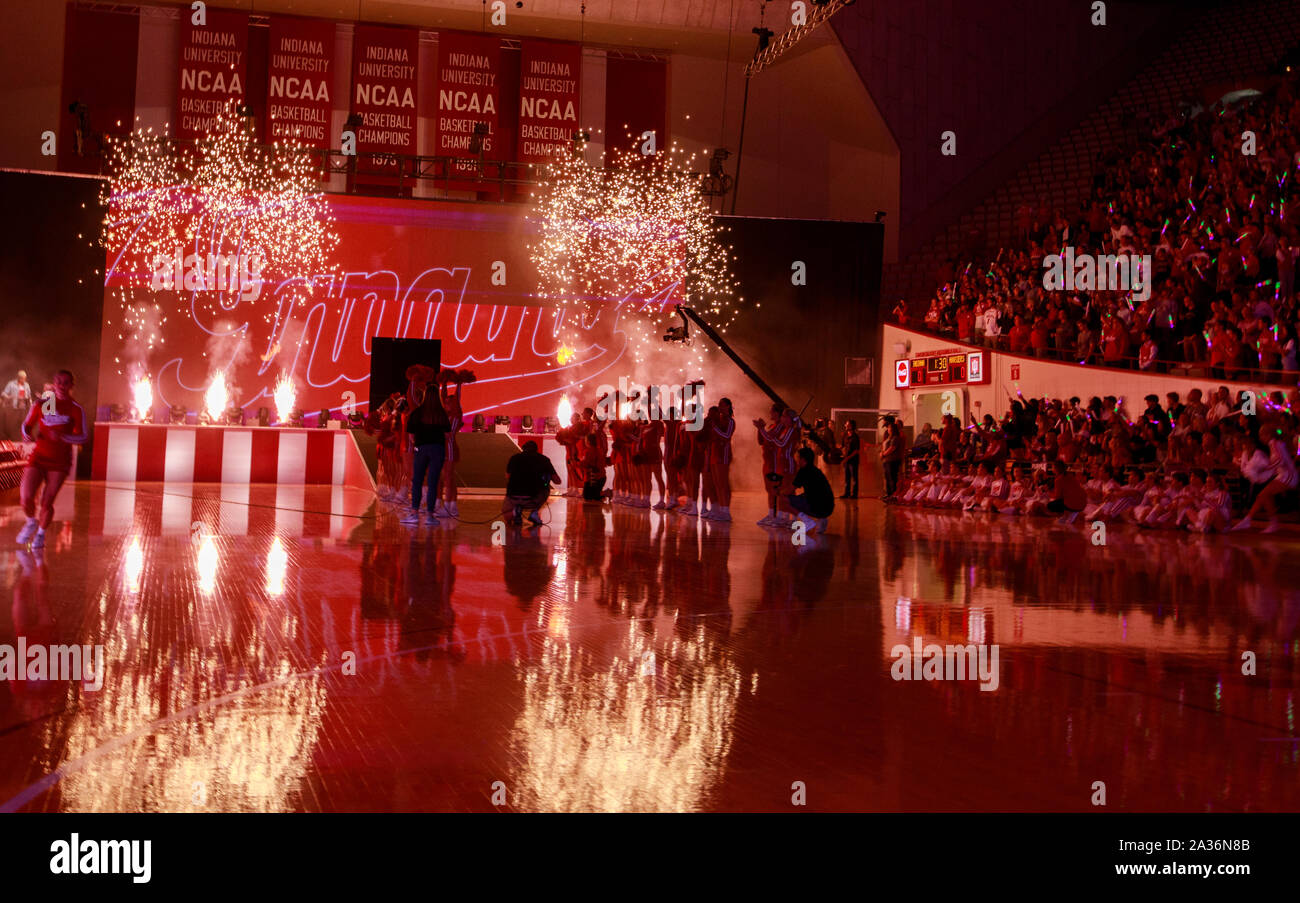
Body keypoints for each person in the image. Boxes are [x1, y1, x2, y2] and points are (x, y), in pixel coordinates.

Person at [17, 370, 87, 549]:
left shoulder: (76, 408)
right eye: (59, 382)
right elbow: (26, 425)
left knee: (47, 502)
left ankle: (40, 534)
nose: (62, 386)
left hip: (60, 462)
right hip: (39, 457)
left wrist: (63, 438)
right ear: (54, 384)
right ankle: (31, 521)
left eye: (66, 383)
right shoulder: (42, 404)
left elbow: (83, 437)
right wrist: (26, 435)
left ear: (71, 386)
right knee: (25, 498)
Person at [401, 366, 450, 526]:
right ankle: (430, 516)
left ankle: (414, 513)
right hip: (438, 449)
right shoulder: (441, 413)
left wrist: (418, 443)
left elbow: (411, 435)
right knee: (433, 481)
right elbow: (448, 435)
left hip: (421, 449)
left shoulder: (417, 412)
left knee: (417, 480)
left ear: (424, 396)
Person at [502, 440, 561, 526]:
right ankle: (534, 512)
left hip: (513, 496)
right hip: (532, 498)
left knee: (507, 517)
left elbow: (508, 476)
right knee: (545, 488)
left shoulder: (514, 458)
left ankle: (516, 512)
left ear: (523, 449)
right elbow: (557, 481)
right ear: (536, 450)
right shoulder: (544, 459)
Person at [787, 446, 835, 534]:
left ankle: (807, 521)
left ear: (803, 459)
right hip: (829, 508)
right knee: (806, 497)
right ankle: (822, 520)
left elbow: (789, 490)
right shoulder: (816, 471)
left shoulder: (803, 471)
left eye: (798, 458)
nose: (796, 460)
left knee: (785, 500)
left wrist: (778, 492)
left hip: (817, 507)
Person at [2, 370, 32, 441]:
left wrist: (27, 398)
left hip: (23, 408)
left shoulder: (26, 385)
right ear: (18, 377)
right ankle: (12, 440)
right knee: (13, 425)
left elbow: (29, 396)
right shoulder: (11, 384)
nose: (23, 379)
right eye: (22, 378)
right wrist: (10, 397)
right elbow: (3, 393)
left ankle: (22, 440)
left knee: (23, 424)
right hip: (13, 408)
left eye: (25, 378)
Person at [839, 419, 861, 499]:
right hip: (846, 460)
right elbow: (842, 446)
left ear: (851, 426)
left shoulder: (855, 437)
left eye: (847, 424)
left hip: (853, 460)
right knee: (847, 477)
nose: (845, 425)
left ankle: (854, 494)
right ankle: (846, 493)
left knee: (854, 477)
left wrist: (847, 458)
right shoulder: (845, 435)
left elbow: (856, 450)